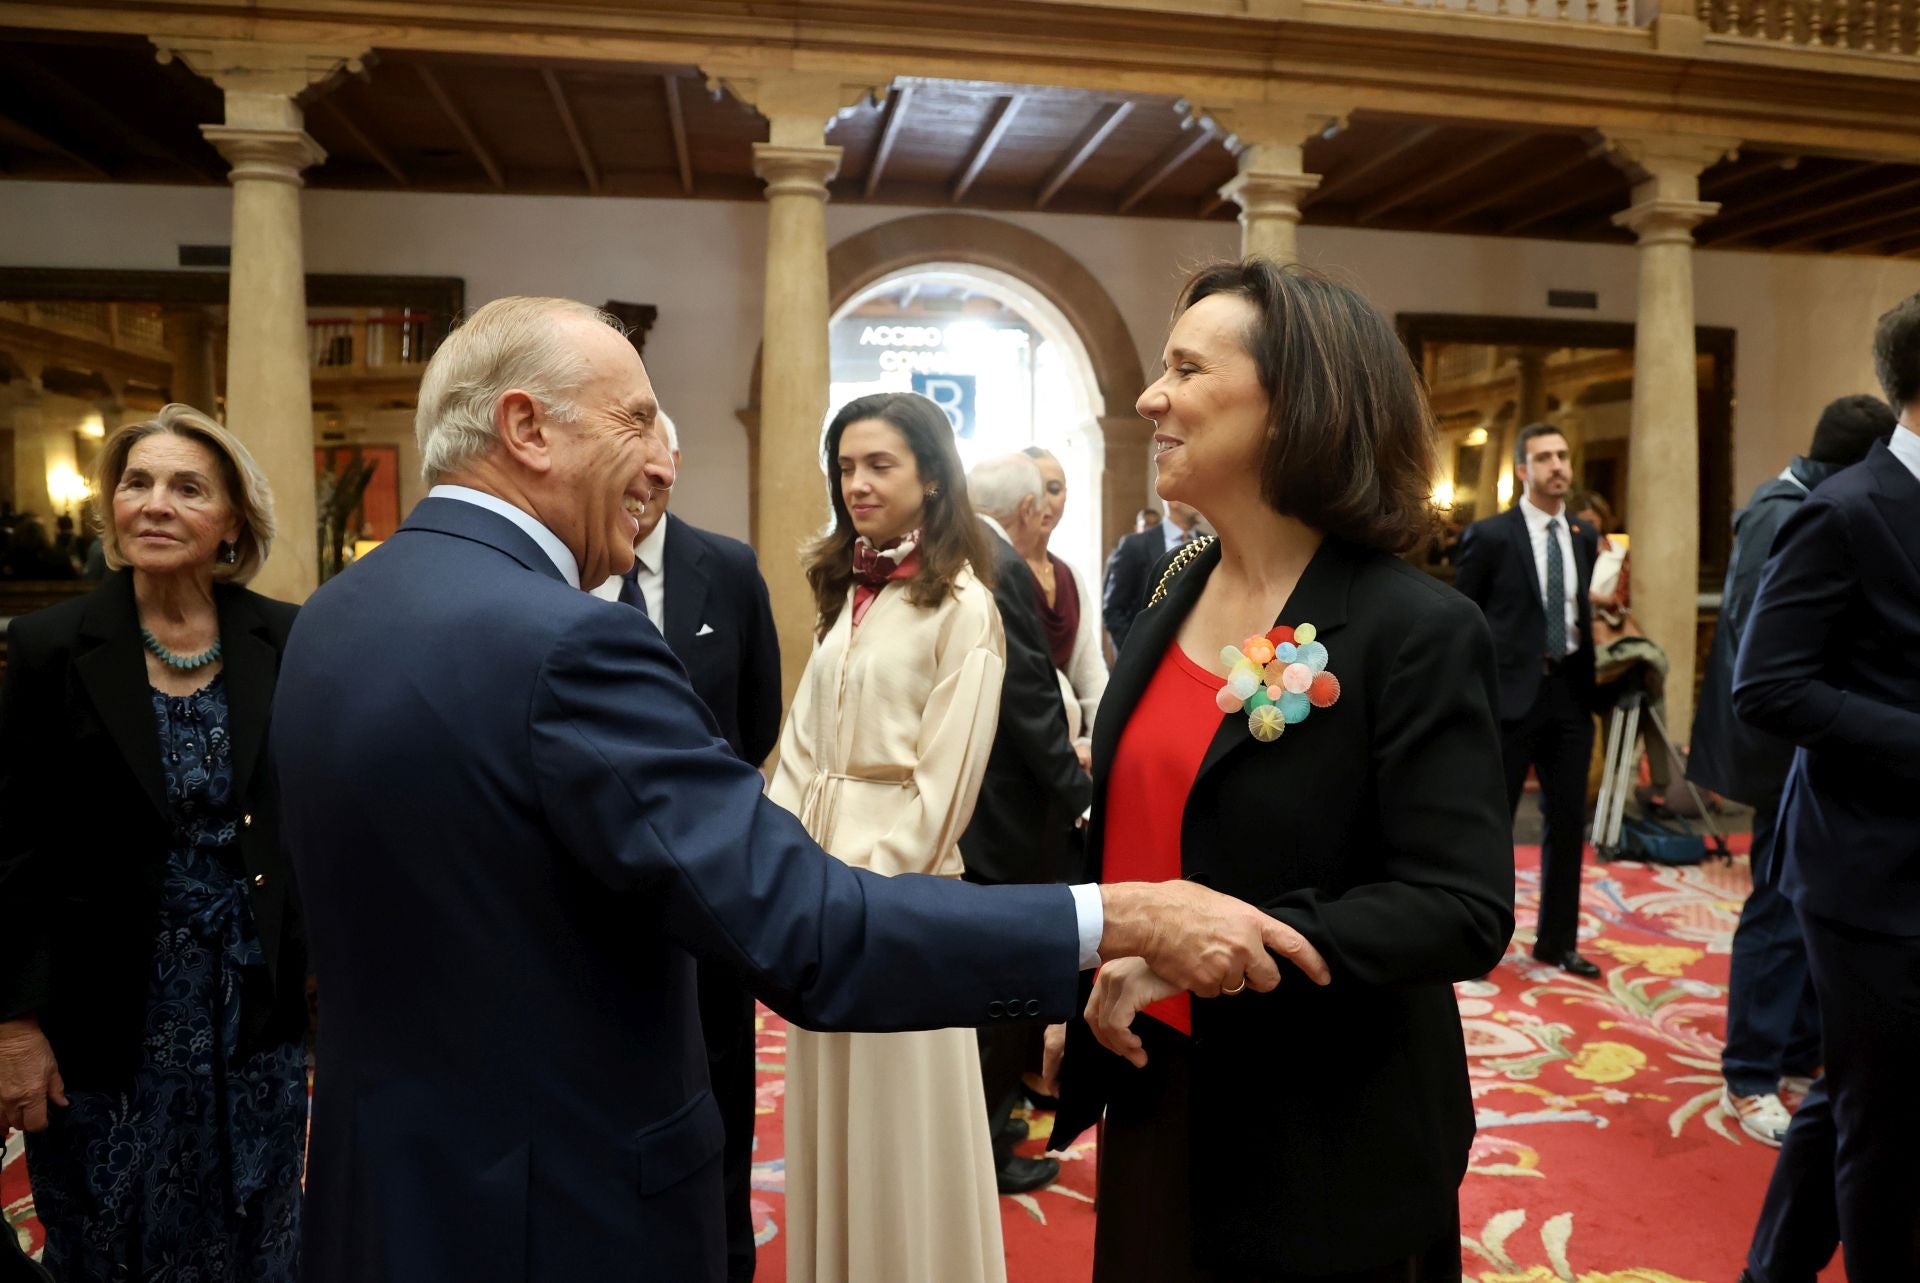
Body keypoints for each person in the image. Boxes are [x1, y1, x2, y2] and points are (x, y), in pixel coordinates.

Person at [270, 298, 1316, 1283]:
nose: (660, 458)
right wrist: (1118, 913)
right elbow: (811, 931)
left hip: (388, 1191)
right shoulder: (570, 641)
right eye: (636, 420)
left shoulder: (336, 616)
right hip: (558, 1209)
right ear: (526, 429)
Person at [1051, 260, 1514, 1282]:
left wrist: (1208, 947)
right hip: (1156, 1080)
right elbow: (1134, 820)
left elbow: (1460, 904)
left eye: (1185, 367)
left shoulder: (1413, 628)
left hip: (1322, 1126)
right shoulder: (1180, 581)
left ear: (1293, 405)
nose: (1149, 396)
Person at [0, 404, 309, 1281]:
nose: (155, 503)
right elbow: (13, 847)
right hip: (105, 1018)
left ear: (233, 523)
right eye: (136, 483)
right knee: (108, 1233)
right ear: (112, 509)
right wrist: (13, 1021)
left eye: (187, 487)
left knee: (258, 1226)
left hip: (250, 1010)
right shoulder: (50, 645)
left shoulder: (284, 637)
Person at [768, 397, 1011, 1282]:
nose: (857, 483)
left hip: (894, 900)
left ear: (933, 476)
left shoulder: (965, 605)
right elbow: (799, 743)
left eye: (880, 465)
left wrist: (868, 901)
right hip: (821, 890)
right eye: (845, 468)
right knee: (833, 1114)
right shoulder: (849, 588)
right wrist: (784, 868)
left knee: (897, 1121)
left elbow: (947, 788)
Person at [1734, 295, 1920, 1283]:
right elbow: (1766, 684)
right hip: (1867, 867)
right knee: (1888, 1130)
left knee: (1860, 1086)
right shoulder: (1845, 508)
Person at [586, 408, 780, 1283]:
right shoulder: (565, 566)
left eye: (661, 460)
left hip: (712, 887)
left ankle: (726, 1259)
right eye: (631, 461)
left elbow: (759, 715)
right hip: (591, 885)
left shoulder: (728, 570)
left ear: (677, 460)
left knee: (720, 1085)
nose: (648, 480)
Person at [1691, 395, 1892, 1148]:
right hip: (1783, 752)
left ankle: (1797, 1044)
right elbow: (1763, 655)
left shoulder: (1797, 499)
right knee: (1777, 905)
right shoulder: (1788, 513)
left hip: (1799, 749)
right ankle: (1749, 1072)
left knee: (1801, 901)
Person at [961, 452, 1094, 1197]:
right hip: (1012, 815)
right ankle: (990, 1143)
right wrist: (1079, 792)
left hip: (990, 803)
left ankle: (1001, 1116)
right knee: (1010, 982)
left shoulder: (973, 550)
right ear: (1023, 511)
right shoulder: (1002, 563)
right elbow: (1030, 701)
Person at [1455, 422, 1602, 977]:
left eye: (1563, 455)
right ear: (1523, 470)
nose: (1558, 466)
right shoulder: (1492, 536)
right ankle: (1480, 938)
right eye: (1545, 458)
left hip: (1569, 693)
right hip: (1509, 699)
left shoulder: (1585, 536)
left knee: (1568, 821)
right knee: (1493, 824)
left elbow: (1579, 614)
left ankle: (1557, 941)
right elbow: (1462, 620)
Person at [1018, 446, 1107, 769]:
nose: (1044, 501)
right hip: (1022, 745)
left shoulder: (1069, 575)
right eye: (1033, 489)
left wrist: (1101, 739)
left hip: (1075, 747)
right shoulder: (996, 572)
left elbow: (1088, 666)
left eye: (1054, 489)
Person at [1103, 497, 1200, 652]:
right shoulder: (1135, 545)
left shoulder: (1213, 545)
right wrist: (1133, 655)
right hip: (1149, 657)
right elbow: (1114, 609)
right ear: (1173, 499)